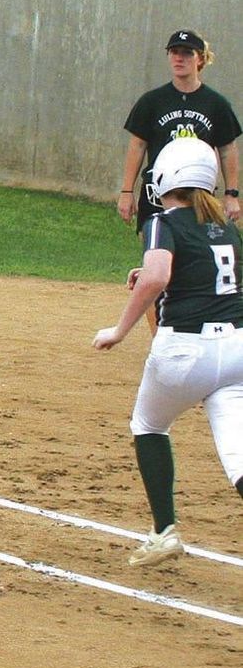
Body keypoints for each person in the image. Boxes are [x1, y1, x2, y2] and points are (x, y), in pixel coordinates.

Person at [94, 137, 243, 567]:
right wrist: (153, 276)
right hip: (235, 350)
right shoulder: (226, 227)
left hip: (186, 350)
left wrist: (120, 330)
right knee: (237, 458)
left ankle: (164, 532)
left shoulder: (164, 222)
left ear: (167, 177)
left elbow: (158, 278)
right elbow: (212, 280)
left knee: (148, 424)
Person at [118, 30, 242, 236]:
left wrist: (231, 194)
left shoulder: (216, 103)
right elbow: (137, 145)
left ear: (200, 58)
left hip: (199, 195)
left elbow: (227, 149)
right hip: (157, 193)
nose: (179, 58)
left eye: (187, 53)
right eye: (174, 52)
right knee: (157, 249)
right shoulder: (152, 101)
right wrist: (126, 191)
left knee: (196, 252)